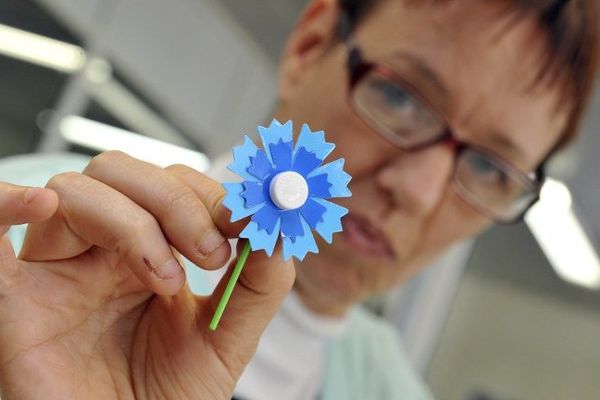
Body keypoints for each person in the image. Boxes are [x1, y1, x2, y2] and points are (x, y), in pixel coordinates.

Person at [0, 0, 598, 399]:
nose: (416, 191)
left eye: (489, 167)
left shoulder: (389, 388)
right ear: (309, 46)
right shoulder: (33, 244)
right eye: (402, 98)